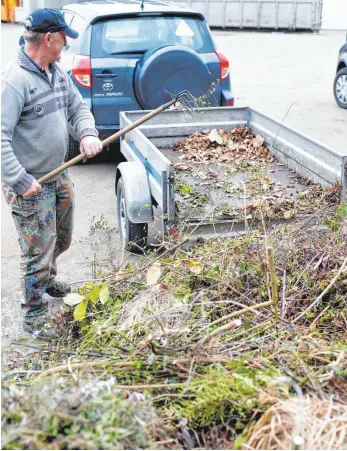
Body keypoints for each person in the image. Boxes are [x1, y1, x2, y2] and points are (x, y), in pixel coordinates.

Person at [1, 8, 103, 339]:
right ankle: (34, 314)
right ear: (49, 38)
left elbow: (77, 107)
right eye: (63, 39)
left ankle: (46, 278)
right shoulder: (15, 83)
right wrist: (20, 180)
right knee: (37, 252)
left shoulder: (56, 72)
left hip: (59, 176)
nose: (65, 46)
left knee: (62, 237)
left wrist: (87, 133)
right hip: (30, 186)